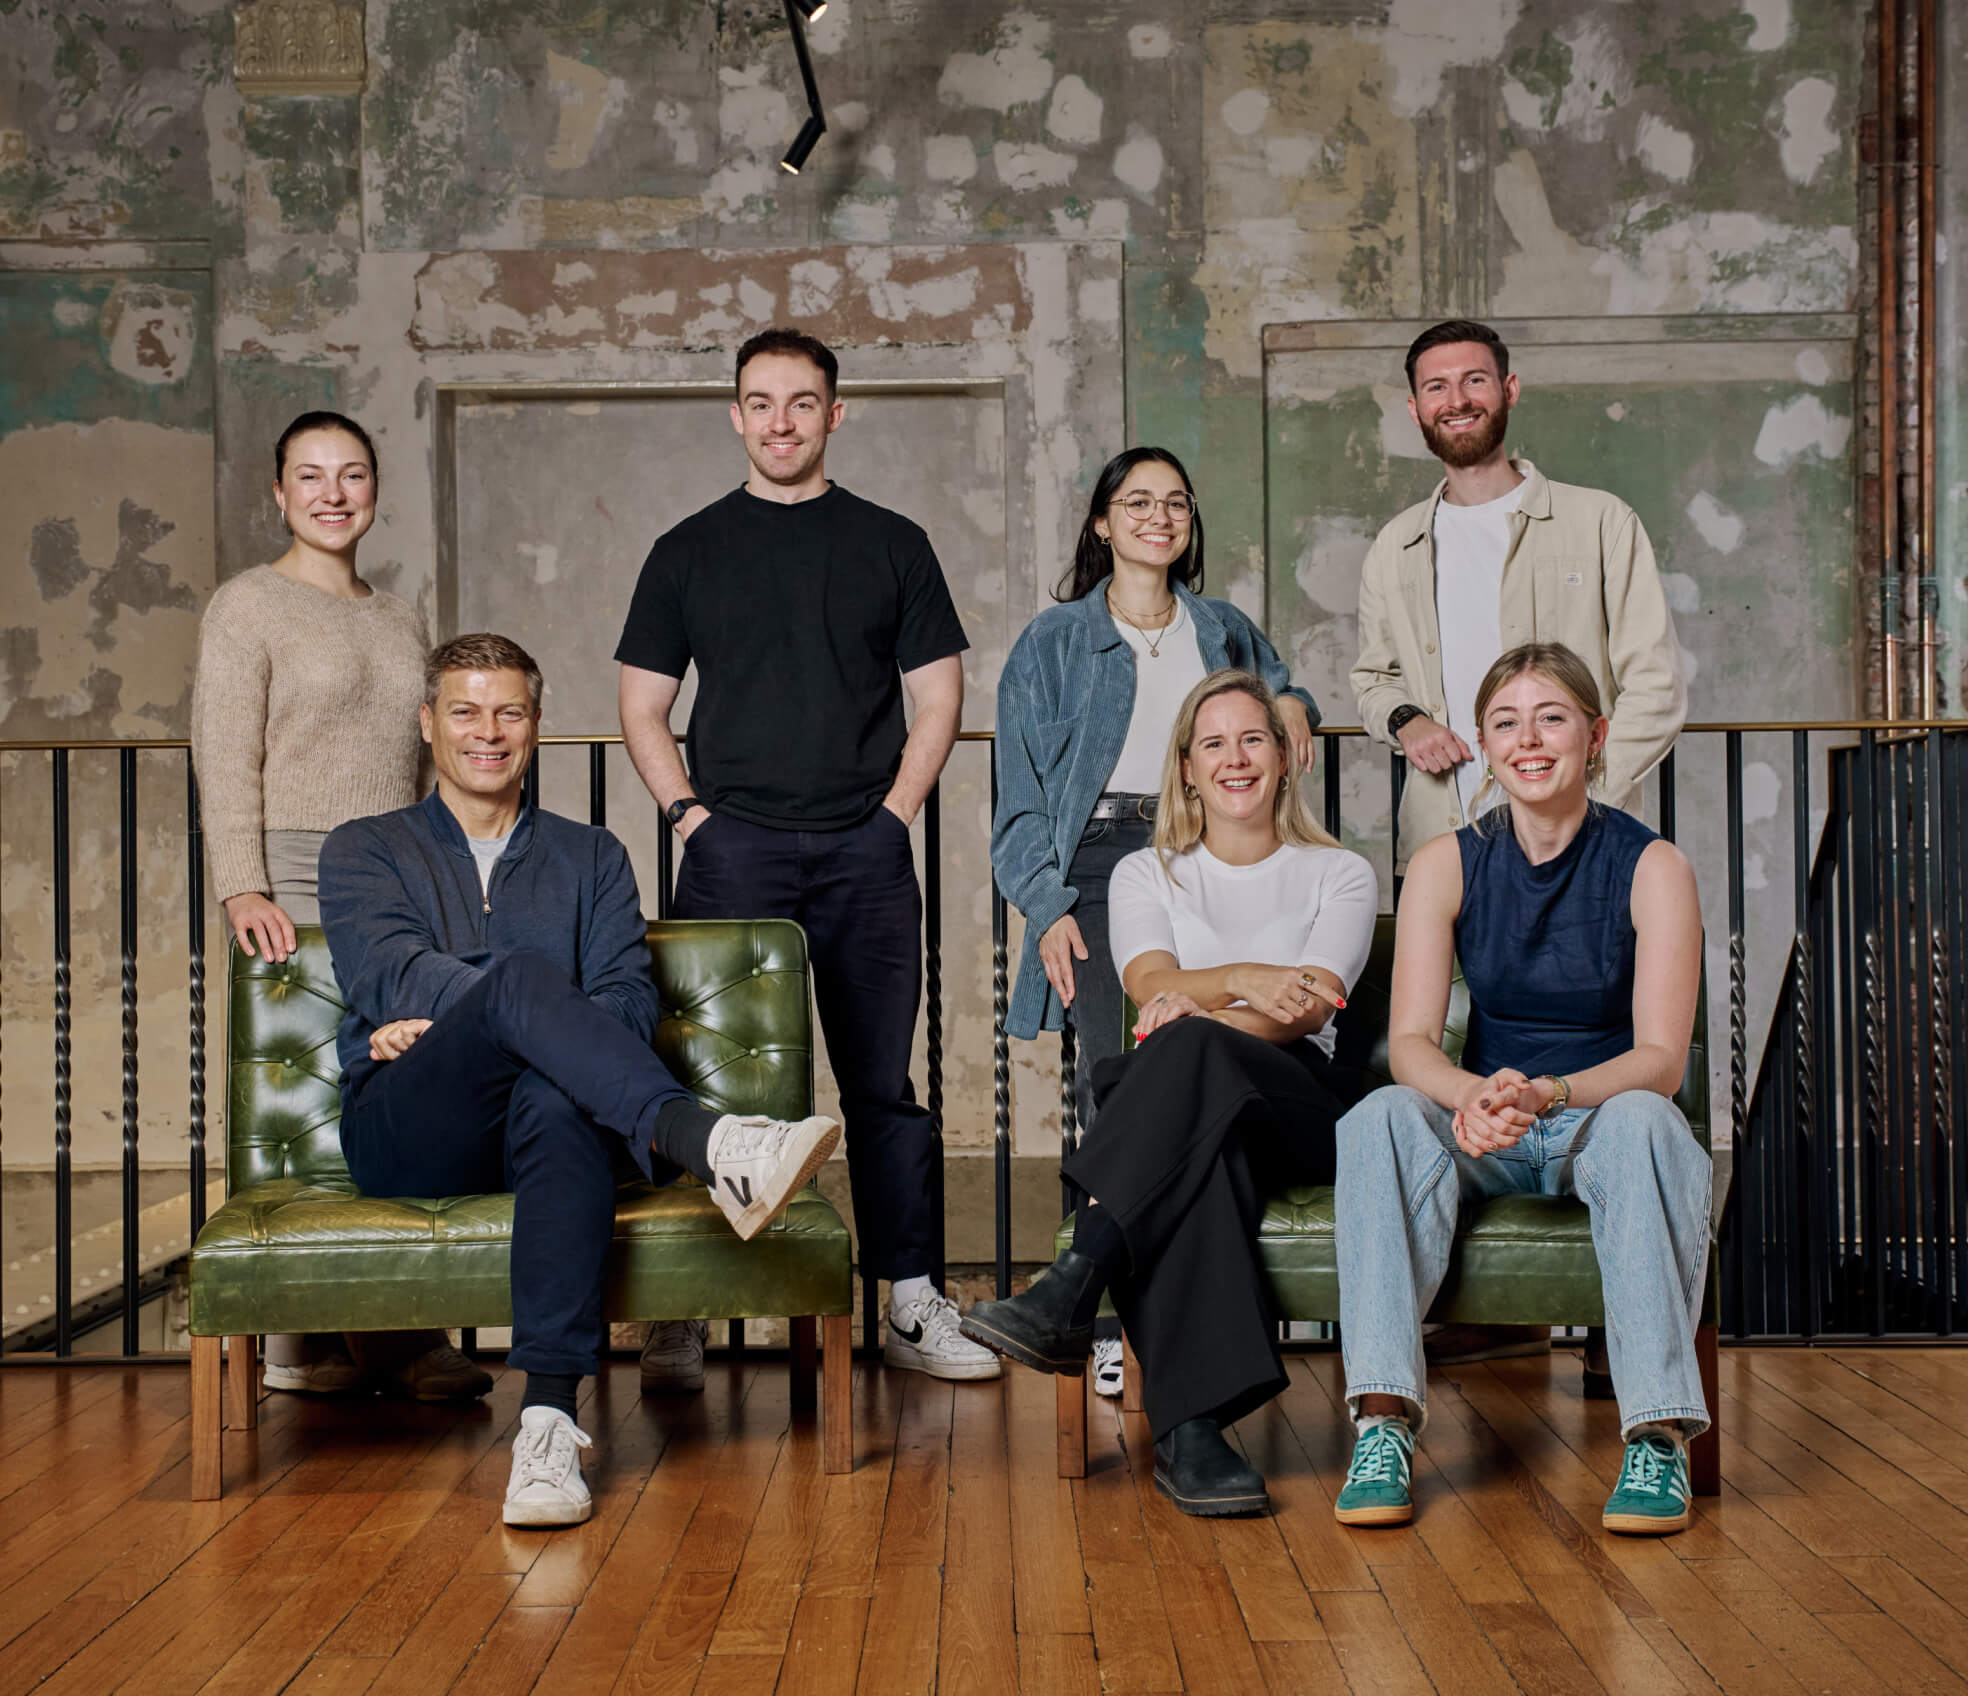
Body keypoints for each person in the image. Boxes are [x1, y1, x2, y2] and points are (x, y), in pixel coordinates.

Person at [319, 633, 841, 1528]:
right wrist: (515, 1008)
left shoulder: (591, 856)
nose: (489, 732)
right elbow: (392, 975)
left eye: (510, 712)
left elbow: (629, 1006)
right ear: (427, 724)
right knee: (529, 988)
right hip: (410, 1128)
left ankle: (548, 1427)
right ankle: (711, 1142)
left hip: (546, 1128)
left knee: (558, 1093)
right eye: (466, 711)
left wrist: (512, 1030)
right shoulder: (363, 849)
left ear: (537, 726)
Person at [616, 326, 998, 1387]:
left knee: (882, 1082)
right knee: (708, 1078)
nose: (781, 420)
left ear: (837, 414)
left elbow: (939, 696)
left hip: (864, 852)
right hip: (732, 852)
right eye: (761, 402)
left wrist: (894, 817)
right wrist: (692, 817)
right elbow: (644, 705)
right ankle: (684, 1306)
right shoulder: (687, 547)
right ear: (736, 416)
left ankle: (911, 1301)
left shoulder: (893, 541)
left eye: (802, 402)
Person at [1350, 317, 1689, 1370]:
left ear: (1510, 388)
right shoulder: (1396, 546)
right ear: (1415, 408)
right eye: (1434, 387)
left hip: (1567, 828)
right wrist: (1405, 721)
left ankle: (1611, 1348)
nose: (1455, 398)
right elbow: (1372, 678)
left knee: (1589, 1035)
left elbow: (1657, 682)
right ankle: (1466, 1320)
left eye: (1473, 380)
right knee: (1437, 1064)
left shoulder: (1596, 521)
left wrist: (1561, 797)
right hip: (1445, 836)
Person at [963, 670, 1378, 1517]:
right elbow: (1150, 980)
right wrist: (1246, 976)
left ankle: (1074, 1282)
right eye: (1214, 743)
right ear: (1186, 767)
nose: (1236, 759)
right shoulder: (1144, 875)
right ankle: (1194, 1434)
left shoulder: (1339, 873)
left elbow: (1305, 1012)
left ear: (1284, 757)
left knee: (1183, 1054)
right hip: (1200, 1111)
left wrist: (1208, 1009)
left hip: (1301, 1103)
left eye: (1253, 739)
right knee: (1201, 1155)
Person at [1332, 642, 1710, 1537]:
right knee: (1380, 1113)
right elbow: (1414, 1041)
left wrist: (1550, 1093)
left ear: (1596, 735)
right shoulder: (1446, 862)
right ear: (1484, 743)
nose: (1529, 739)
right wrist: (1474, 1098)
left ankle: (1657, 1438)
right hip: (1490, 1121)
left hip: (1599, 1114)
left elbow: (1662, 1058)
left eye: (1552, 718)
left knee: (1652, 1125)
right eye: (1506, 722)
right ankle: (1383, 1424)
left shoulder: (1655, 866)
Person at [993, 446, 1320, 1399]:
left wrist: (1291, 699)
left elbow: (1275, 691)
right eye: (1136, 501)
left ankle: (1117, 1308)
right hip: (1098, 862)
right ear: (1101, 522)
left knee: (1191, 1078)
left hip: (1211, 840)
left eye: (1175, 501)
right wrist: (1047, 907)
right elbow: (1017, 803)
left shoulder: (1223, 629)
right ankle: (1099, 1321)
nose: (1158, 515)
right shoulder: (1051, 643)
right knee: (1119, 1079)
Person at [189, 410, 487, 1404]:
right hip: (292, 872)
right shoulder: (247, 607)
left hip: (397, 874)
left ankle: (376, 1331)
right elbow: (224, 750)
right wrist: (241, 878)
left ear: (374, 490)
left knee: (388, 1077)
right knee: (306, 1098)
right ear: (278, 494)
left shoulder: (400, 618)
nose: (330, 492)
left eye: (350, 474)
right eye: (308, 476)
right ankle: (313, 1336)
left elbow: (421, 757)